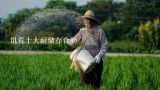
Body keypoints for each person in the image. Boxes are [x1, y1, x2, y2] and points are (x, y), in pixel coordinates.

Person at [68, 10, 108, 89]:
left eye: (89, 20)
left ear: (93, 21)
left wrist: (99, 56)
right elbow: (72, 43)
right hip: (84, 62)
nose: (87, 22)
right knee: (85, 84)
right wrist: (70, 41)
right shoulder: (81, 32)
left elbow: (104, 46)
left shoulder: (99, 32)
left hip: (96, 62)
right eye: (86, 19)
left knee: (96, 85)